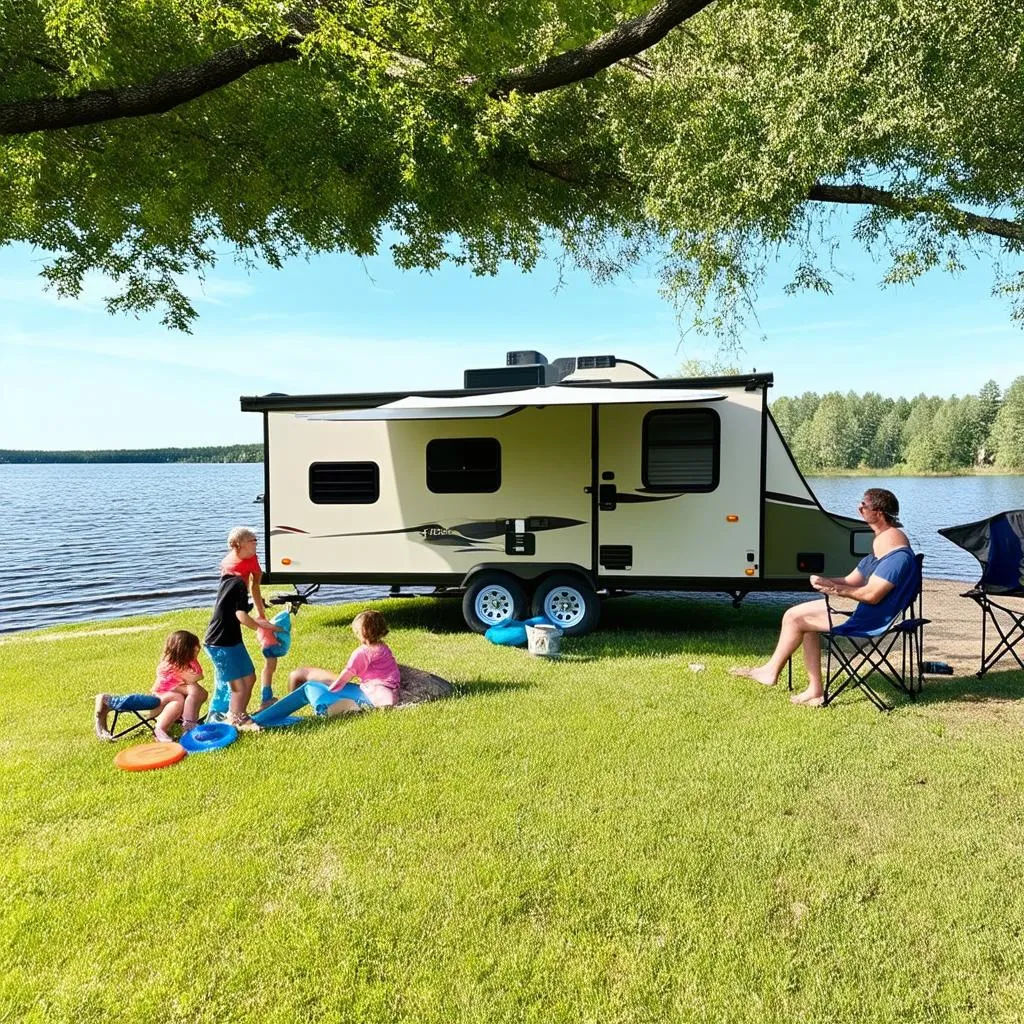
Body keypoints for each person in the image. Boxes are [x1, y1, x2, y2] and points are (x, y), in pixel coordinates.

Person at [729, 488, 914, 707]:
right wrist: (827, 581)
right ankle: (811, 688)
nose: (859, 508)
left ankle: (774, 674)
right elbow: (851, 580)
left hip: (869, 620)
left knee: (794, 618)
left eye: (863, 505)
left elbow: (872, 595)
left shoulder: (896, 557)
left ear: (880, 513)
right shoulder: (881, 552)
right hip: (864, 612)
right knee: (800, 618)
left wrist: (835, 591)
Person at [204, 570, 282, 731]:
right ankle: (236, 719)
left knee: (249, 677)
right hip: (220, 643)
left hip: (232, 641)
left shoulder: (232, 581)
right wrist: (260, 629)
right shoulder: (239, 584)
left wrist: (265, 623)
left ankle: (240, 714)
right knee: (238, 685)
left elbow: (240, 610)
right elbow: (241, 615)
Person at [288, 609, 401, 713]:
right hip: (389, 686)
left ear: (363, 633)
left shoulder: (363, 652)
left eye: (357, 632)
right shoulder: (383, 647)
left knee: (323, 689)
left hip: (375, 689)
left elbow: (348, 673)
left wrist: (332, 689)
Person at [220, 527, 277, 710]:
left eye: (255, 539)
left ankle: (261, 701)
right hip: (233, 610)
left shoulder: (252, 557)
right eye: (252, 540)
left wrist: (261, 614)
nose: (256, 543)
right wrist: (259, 626)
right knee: (230, 672)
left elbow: (255, 586)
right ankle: (221, 709)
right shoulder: (231, 568)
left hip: (241, 603)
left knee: (250, 671)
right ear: (239, 545)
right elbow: (235, 608)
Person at [149, 629, 208, 741]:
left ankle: (190, 722)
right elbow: (193, 678)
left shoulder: (188, 662)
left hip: (174, 694)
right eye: (193, 646)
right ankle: (160, 729)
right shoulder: (169, 665)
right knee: (184, 696)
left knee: (197, 692)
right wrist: (194, 687)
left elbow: (198, 676)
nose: (197, 648)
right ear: (182, 650)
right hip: (160, 700)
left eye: (197, 645)